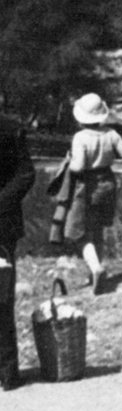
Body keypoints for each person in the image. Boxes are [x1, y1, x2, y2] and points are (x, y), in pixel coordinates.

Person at [51, 94, 122, 295]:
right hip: (108, 183)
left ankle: (95, 268)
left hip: (87, 187)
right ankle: (96, 273)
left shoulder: (80, 137)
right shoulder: (112, 134)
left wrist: (70, 160)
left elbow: (78, 167)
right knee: (98, 229)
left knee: (77, 233)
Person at [0, 111, 35, 390]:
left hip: (1, 228)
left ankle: (7, 371)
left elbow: (25, 174)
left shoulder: (10, 129)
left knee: (1, 299)